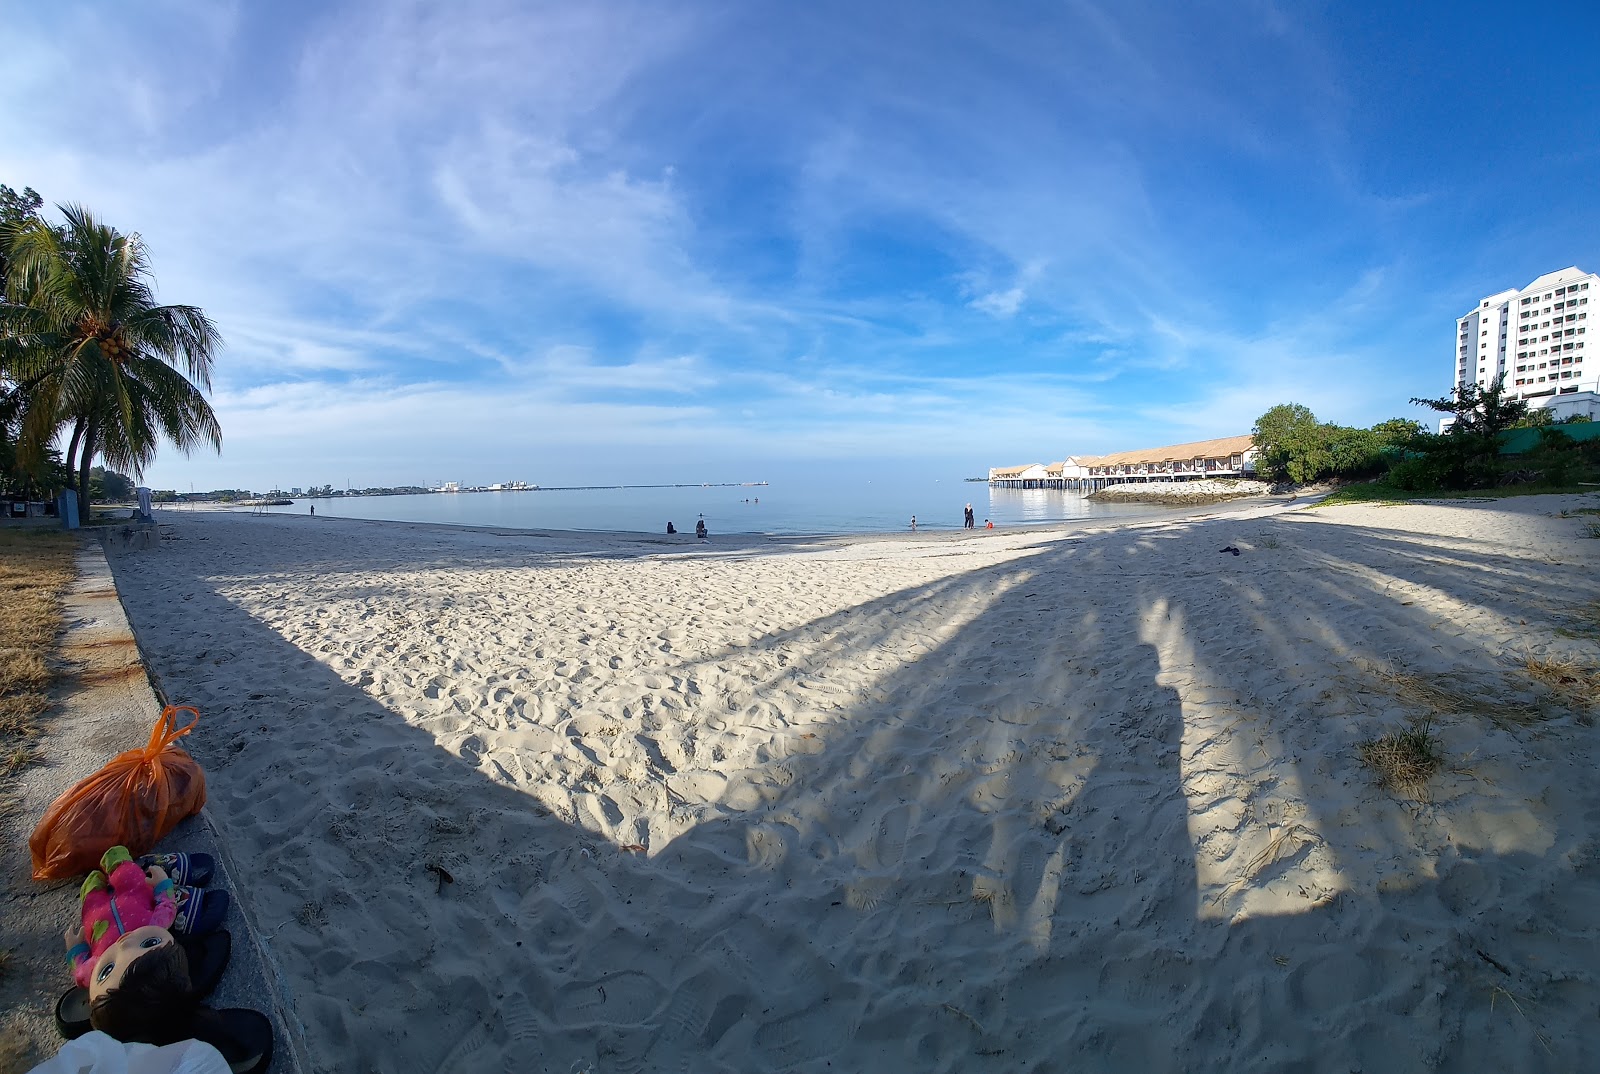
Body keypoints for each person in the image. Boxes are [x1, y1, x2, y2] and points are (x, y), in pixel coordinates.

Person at [65, 846, 193, 1040]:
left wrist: (76, 948)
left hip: (97, 914)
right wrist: (162, 884)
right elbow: (167, 906)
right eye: (150, 942)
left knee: (90, 891)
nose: (124, 945)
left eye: (107, 970)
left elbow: (79, 971)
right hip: (134, 894)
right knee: (128, 872)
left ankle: (91, 877)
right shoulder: (155, 923)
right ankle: (114, 858)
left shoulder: (91, 970)